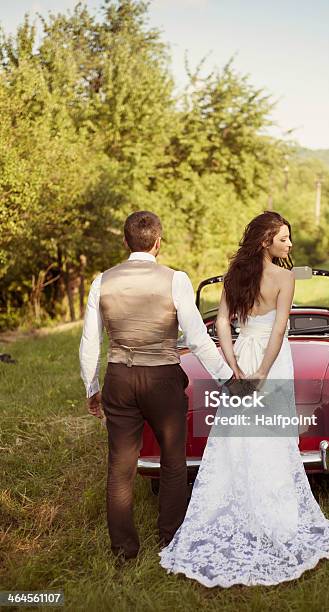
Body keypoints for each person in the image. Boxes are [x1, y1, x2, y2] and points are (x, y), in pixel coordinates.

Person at [159, 211, 329, 587]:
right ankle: (274, 517)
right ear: (266, 241)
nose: (290, 244)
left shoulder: (234, 276)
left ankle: (241, 512)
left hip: (241, 357)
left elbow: (222, 324)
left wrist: (233, 366)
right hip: (271, 361)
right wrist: (263, 372)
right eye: (284, 238)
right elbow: (280, 329)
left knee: (238, 437)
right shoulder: (283, 278)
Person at [79, 211, 234, 560]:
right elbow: (197, 339)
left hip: (119, 377)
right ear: (158, 243)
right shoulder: (175, 279)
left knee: (120, 466)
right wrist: (226, 377)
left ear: (125, 241)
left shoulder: (102, 281)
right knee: (173, 462)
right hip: (163, 378)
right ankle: (171, 540)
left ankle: (123, 551)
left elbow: (91, 341)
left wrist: (92, 388)